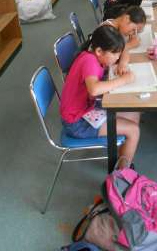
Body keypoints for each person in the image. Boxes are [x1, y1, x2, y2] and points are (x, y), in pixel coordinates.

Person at [60, 25, 140, 167]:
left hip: (86, 110)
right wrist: (123, 80)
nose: (117, 57)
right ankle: (123, 173)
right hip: (77, 123)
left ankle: (122, 158)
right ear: (98, 51)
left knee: (134, 113)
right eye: (115, 54)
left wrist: (122, 63)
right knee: (133, 130)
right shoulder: (89, 61)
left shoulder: (96, 55)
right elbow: (94, 89)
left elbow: (123, 53)